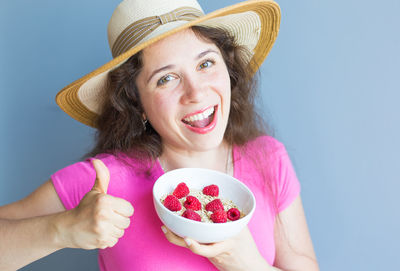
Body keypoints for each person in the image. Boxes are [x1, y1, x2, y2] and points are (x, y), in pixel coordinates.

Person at [0, 0, 319, 270]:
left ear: (228, 68)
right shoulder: (106, 181)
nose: (196, 93)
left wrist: (247, 263)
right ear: (136, 103)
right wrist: (62, 229)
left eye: (205, 63)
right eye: (166, 79)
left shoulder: (269, 159)